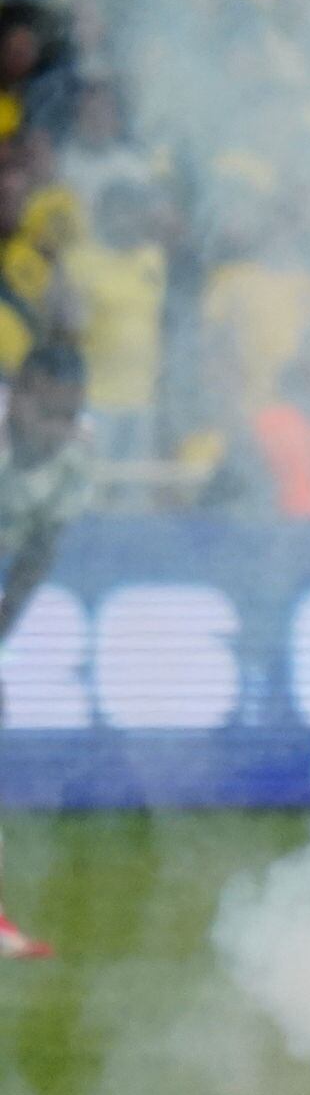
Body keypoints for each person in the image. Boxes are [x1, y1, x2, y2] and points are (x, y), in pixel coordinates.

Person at [0, 340, 89, 960]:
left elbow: (37, 556)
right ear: (18, 395)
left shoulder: (77, 462)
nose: (60, 430)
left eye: (71, 416)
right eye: (49, 413)